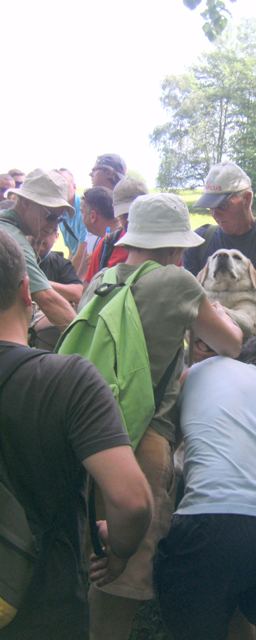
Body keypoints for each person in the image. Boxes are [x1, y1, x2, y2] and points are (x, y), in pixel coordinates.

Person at [83, 193, 243, 640]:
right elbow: (230, 342)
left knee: (88, 559)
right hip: (141, 443)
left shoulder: (101, 280)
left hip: (85, 433)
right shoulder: (177, 283)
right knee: (119, 580)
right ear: (176, 248)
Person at [0, 230, 153, 640]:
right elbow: (131, 500)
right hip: (42, 607)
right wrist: (117, 549)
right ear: (26, 292)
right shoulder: (68, 380)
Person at [154, 333, 256, 640]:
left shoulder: (203, 370)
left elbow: (165, 450)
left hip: (215, 520)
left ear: (239, 356)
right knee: (239, 612)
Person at [184, 161, 256, 312]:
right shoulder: (199, 241)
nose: (215, 214)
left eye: (222, 206)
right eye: (210, 207)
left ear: (247, 199)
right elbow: (188, 305)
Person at [0, 169, 76, 329]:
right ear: (25, 202)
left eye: (59, 219)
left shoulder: (8, 227)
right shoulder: (14, 240)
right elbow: (48, 300)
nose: (54, 225)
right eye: (50, 216)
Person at [82, 176, 148, 285]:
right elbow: (88, 289)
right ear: (117, 214)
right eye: (125, 215)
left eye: (137, 213)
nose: (130, 220)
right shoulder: (108, 244)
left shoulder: (166, 246)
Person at [29, 228, 83, 350]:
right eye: (35, 232)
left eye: (46, 232)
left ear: (56, 236)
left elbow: (77, 293)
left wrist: (38, 281)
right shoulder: (16, 257)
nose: (39, 236)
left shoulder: (60, 263)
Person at [56, 168, 88, 276]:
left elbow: (83, 251)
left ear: (74, 186)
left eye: (64, 184)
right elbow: (71, 250)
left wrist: (68, 278)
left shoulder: (84, 210)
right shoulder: (60, 213)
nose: (61, 188)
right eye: (57, 184)